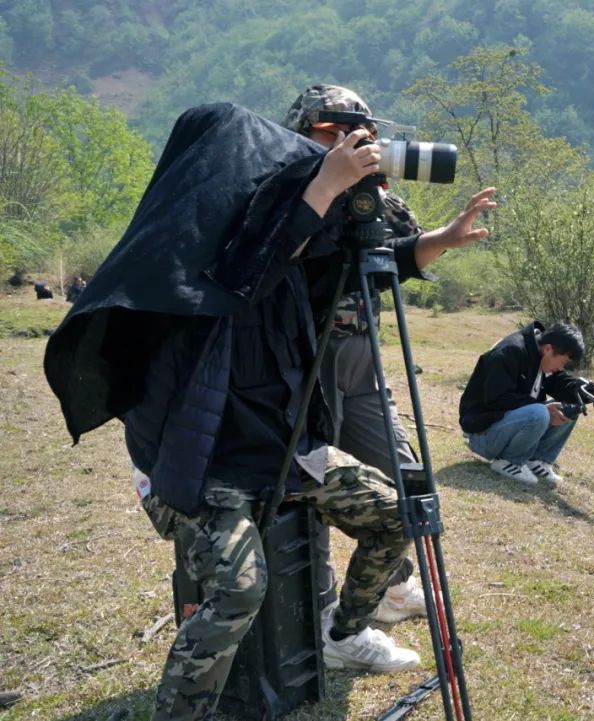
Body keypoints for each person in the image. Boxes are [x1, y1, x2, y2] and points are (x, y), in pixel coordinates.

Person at [43, 101, 433, 720]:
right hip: (202, 469)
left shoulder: (279, 260)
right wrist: (324, 181)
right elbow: (245, 273)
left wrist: (436, 236)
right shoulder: (182, 272)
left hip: (280, 450)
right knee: (238, 588)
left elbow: (344, 270)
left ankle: (343, 634)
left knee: (396, 516)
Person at [283, 84, 497, 626]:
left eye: (361, 135)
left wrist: (444, 237)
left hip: (361, 358)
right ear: (297, 134)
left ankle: (391, 587)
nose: (350, 145)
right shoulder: (287, 199)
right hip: (304, 360)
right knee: (310, 487)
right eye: (330, 134)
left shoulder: (373, 202)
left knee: (403, 478)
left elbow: (396, 258)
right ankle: (320, 610)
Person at [459, 321, 586, 486]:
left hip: (504, 429)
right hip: (483, 435)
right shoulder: (509, 352)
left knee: (571, 406)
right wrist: (544, 410)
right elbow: (497, 398)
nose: (562, 367)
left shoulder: (539, 353)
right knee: (539, 412)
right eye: (563, 362)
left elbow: (563, 385)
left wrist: (592, 390)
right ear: (548, 349)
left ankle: (536, 460)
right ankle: (509, 462)